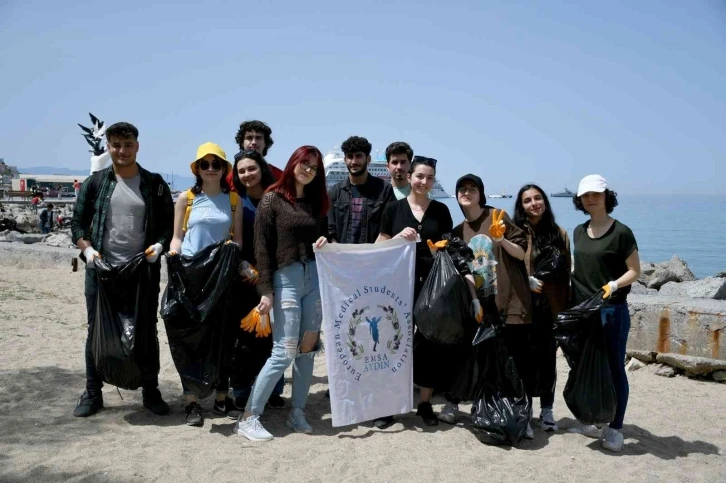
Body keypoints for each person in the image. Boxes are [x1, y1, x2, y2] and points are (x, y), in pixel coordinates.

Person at [70, 121, 174, 418]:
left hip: (142, 272)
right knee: (96, 330)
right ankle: (93, 392)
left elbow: (167, 227)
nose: (122, 150)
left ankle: (150, 391)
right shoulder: (95, 183)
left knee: (145, 330)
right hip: (100, 271)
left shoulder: (153, 184)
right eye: (116, 145)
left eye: (128, 145)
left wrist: (159, 247)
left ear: (137, 147)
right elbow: (77, 224)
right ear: (108, 147)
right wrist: (87, 250)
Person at [234, 145, 329, 441]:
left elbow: (322, 236)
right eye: (304, 164)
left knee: (307, 351)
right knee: (282, 352)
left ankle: (296, 412)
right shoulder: (272, 199)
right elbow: (261, 249)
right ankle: (249, 416)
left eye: (314, 167)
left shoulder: (315, 202)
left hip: (313, 279)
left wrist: (326, 240)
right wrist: (266, 291)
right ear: (293, 163)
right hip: (284, 280)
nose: (308, 170)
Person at [451, 174, 534, 438]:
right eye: (462, 189)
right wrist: (474, 299)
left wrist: (501, 241)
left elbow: (522, 253)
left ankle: (525, 418)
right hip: (484, 307)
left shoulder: (497, 216)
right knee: (489, 363)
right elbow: (465, 269)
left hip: (510, 302)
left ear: (481, 194)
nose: (466, 193)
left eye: (472, 189)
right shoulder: (458, 231)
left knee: (518, 361)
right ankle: (493, 410)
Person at [167, 142, 244, 426]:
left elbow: (237, 240)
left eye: (216, 164)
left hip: (220, 279)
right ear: (197, 169)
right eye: (205, 164)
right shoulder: (185, 199)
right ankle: (191, 403)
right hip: (189, 277)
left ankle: (222, 398)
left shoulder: (233, 200)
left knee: (222, 337)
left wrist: (236, 258)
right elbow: (177, 237)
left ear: (224, 168)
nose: (210, 169)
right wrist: (173, 254)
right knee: (189, 339)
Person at [376, 156, 455, 426]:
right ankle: (387, 405)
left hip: (432, 285)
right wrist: (398, 239)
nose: (424, 181)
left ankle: (424, 403)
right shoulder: (393, 210)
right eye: (419, 176)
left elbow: (451, 248)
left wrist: (438, 250)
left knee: (429, 344)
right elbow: (379, 246)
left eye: (430, 177)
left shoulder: (442, 211)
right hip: (398, 285)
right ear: (409, 177)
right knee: (394, 342)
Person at [569, 174, 640, 452]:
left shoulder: (621, 232)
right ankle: (595, 420)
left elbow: (635, 270)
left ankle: (615, 428)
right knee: (587, 368)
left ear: (606, 196)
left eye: (596, 194)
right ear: (580, 200)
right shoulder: (578, 231)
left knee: (613, 370)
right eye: (585, 195)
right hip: (584, 313)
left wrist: (614, 284)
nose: (590, 199)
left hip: (611, 312)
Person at [228, 149, 286, 415]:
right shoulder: (235, 201)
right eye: (241, 171)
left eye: (251, 168)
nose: (247, 175)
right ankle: (240, 391)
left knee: (274, 335)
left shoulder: (278, 197)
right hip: (242, 277)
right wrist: (242, 267)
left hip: (275, 275)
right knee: (243, 337)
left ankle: (273, 391)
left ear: (262, 168)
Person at [513, 184, 571, 432]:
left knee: (548, 361)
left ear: (545, 201)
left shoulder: (559, 233)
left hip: (550, 307)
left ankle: (546, 410)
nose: (534, 203)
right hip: (522, 306)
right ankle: (525, 412)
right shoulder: (515, 232)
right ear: (521, 206)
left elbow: (566, 271)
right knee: (523, 361)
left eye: (538, 198)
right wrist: (526, 280)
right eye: (527, 200)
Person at [328, 136, 394, 244]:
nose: (354, 161)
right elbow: (330, 228)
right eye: (350, 156)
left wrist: (374, 251)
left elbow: (389, 226)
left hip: (374, 256)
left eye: (359, 156)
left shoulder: (384, 189)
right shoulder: (335, 192)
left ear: (368, 159)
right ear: (345, 160)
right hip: (343, 257)